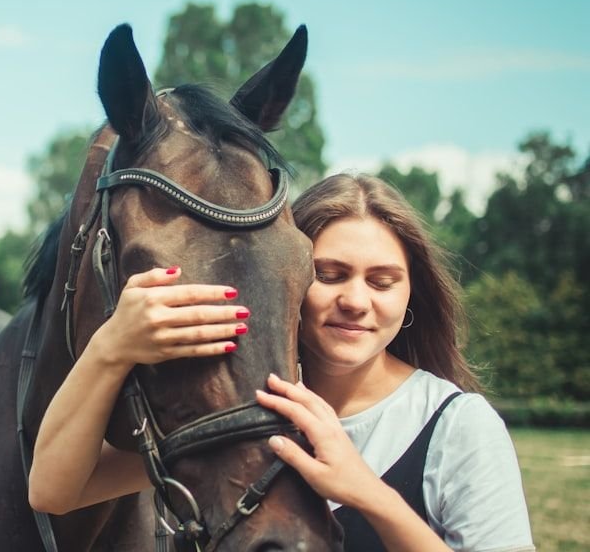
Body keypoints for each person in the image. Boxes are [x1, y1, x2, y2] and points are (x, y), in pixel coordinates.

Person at [28, 173, 535, 551]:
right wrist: (110, 347)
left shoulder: (456, 427)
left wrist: (366, 493)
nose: (356, 301)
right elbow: (55, 490)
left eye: (382, 281)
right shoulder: (248, 407)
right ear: (286, 283)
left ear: (409, 298)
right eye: (330, 274)